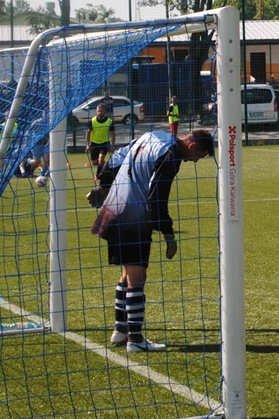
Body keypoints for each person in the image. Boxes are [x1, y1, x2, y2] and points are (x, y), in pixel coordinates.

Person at [91, 130, 213, 352]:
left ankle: (121, 331)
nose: (194, 161)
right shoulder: (171, 154)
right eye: (199, 156)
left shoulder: (154, 135)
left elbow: (118, 156)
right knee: (137, 277)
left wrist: (104, 183)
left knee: (127, 273)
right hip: (132, 215)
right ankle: (136, 340)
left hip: (113, 208)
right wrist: (168, 231)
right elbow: (157, 196)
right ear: (193, 145)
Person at [86, 103, 116, 171]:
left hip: (104, 143)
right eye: (98, 111)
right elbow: (88, 133)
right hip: (94, 143)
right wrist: (87, 145)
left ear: (104, 111)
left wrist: (113, 145)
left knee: (101, 158)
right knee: (94, 163)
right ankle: (105, 165)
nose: (99, 113)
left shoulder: (109, 122)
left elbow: (113, 134)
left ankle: (98, 174)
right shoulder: (92, 121)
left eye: (101, 111)